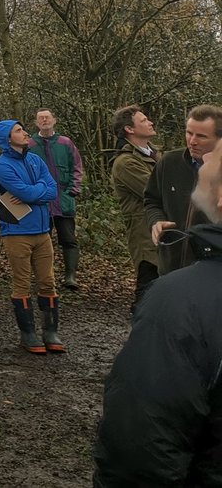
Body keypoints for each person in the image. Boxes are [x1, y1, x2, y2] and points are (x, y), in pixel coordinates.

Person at [92, 144, 222, 487]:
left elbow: (142, 447)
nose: (205, 155)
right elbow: (150, 198)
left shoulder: (180, 301)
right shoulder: (158, 163)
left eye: (217, 149)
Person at [0, 119, 61, 354]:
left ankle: (51, 332)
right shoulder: (2, 166)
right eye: (18, 131)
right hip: (17, 232)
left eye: (22, 129)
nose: (25, 133)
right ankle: (28, 334)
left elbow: (52, 189)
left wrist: (35, 193)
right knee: (22, 282)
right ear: (7, 139)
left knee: (48, 281)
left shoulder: (35, 159)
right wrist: (37, 191)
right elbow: (25, 192)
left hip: (43, 231)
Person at [145, 104, 222, 275]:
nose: (192, 141)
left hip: (213, 275)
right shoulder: (169, 162)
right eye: (189, 133)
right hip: (171, 270)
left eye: (201, 136)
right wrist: (156, 221)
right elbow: (152, 201)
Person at [109, 104, 161, 310]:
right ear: (129, 129)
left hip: (165, 233)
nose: (150, 122)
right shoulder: (125, 163)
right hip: (146, 236)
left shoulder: (155, 155)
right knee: (147, 294)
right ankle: (141, 338)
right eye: (144, 120)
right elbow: (158, 191)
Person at [29, 109, 84, 289]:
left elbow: (77, 166)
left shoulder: (65, 143)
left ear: (54, 120)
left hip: (64, 200)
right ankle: (44, 277)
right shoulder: (29, 144)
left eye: (47, 117)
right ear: (36, 123)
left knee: (68, 239)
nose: (44, 120)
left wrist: (72, 190)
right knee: (40, 240)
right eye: (40, 118)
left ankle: (70, 276)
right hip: (40, 201)